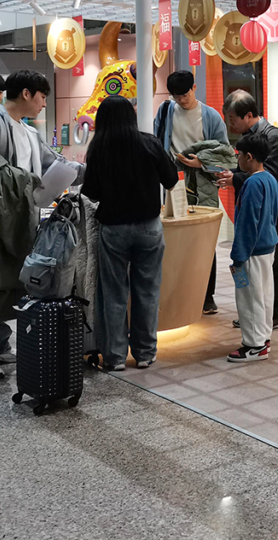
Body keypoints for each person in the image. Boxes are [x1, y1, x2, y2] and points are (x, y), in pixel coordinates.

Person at [0, 70, 84, 380]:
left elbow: (54, 164)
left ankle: (0, 345)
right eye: (43, 98)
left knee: (8, 284)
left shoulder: (27, 132)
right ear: (27, 94)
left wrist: (93, 169)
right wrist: (20, 179)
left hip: (15, 222)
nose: (44, 105)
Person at [82, 96, 178, 371]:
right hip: (149, 227)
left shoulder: (99, 147)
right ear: (131, 115)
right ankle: (145, 353)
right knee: (147, 291)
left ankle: (114, 357)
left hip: (113, 229)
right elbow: (171, 179)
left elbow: (91, 192)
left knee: (113, 293)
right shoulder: (149, 142)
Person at [155, 70, 230, 315]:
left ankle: (207, 295)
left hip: (202, 181)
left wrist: (202, 163)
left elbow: (225, 152)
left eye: (184, 95)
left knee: (203, 238)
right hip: (173, 180)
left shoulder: (210, 116)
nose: (181, 100)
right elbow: (158, 144)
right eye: (176, 97)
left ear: (194, 88)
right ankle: (179, 293)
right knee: (174, 237)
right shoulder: (166, 111)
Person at [217, 91, 278, 330]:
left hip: (270, 215)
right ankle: (255, 315)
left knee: (270, 266)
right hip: (252, 211)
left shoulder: (272, 137)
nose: (231, 124)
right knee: (255, 272)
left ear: (248, 115)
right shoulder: (249, 136)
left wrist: (235, 178)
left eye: (232, 118)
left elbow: (268, 173)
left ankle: (271, 314)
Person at [227, 134, 278, 363]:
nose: (237, 160)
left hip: (251, 251)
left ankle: (254, 345)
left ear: (249, 157)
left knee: (249, 298)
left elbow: (248, 222)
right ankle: (263, 338)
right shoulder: (270, 179)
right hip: (268, 247)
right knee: (264, 296)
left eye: (238, 155)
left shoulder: (252, 184)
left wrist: (238, 255)